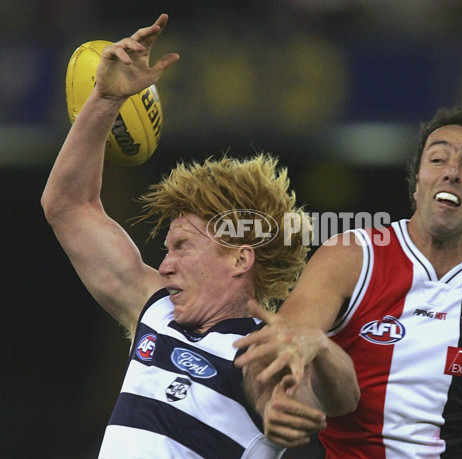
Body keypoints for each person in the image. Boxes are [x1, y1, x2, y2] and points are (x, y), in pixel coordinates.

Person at [41, 14, 359, 458]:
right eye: (168, 248)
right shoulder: (155, 309)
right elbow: (68, 207)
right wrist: (106, 98)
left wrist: (320, 350)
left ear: (239, 259)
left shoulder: (262, 351)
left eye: (182, 247)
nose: (165, 263)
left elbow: (343, 398)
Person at [234, 106, 462, 458]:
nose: (451, 172)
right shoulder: (352, 257)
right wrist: (272, 401)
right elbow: (284, 341)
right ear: (417, 185)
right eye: (437, 159)